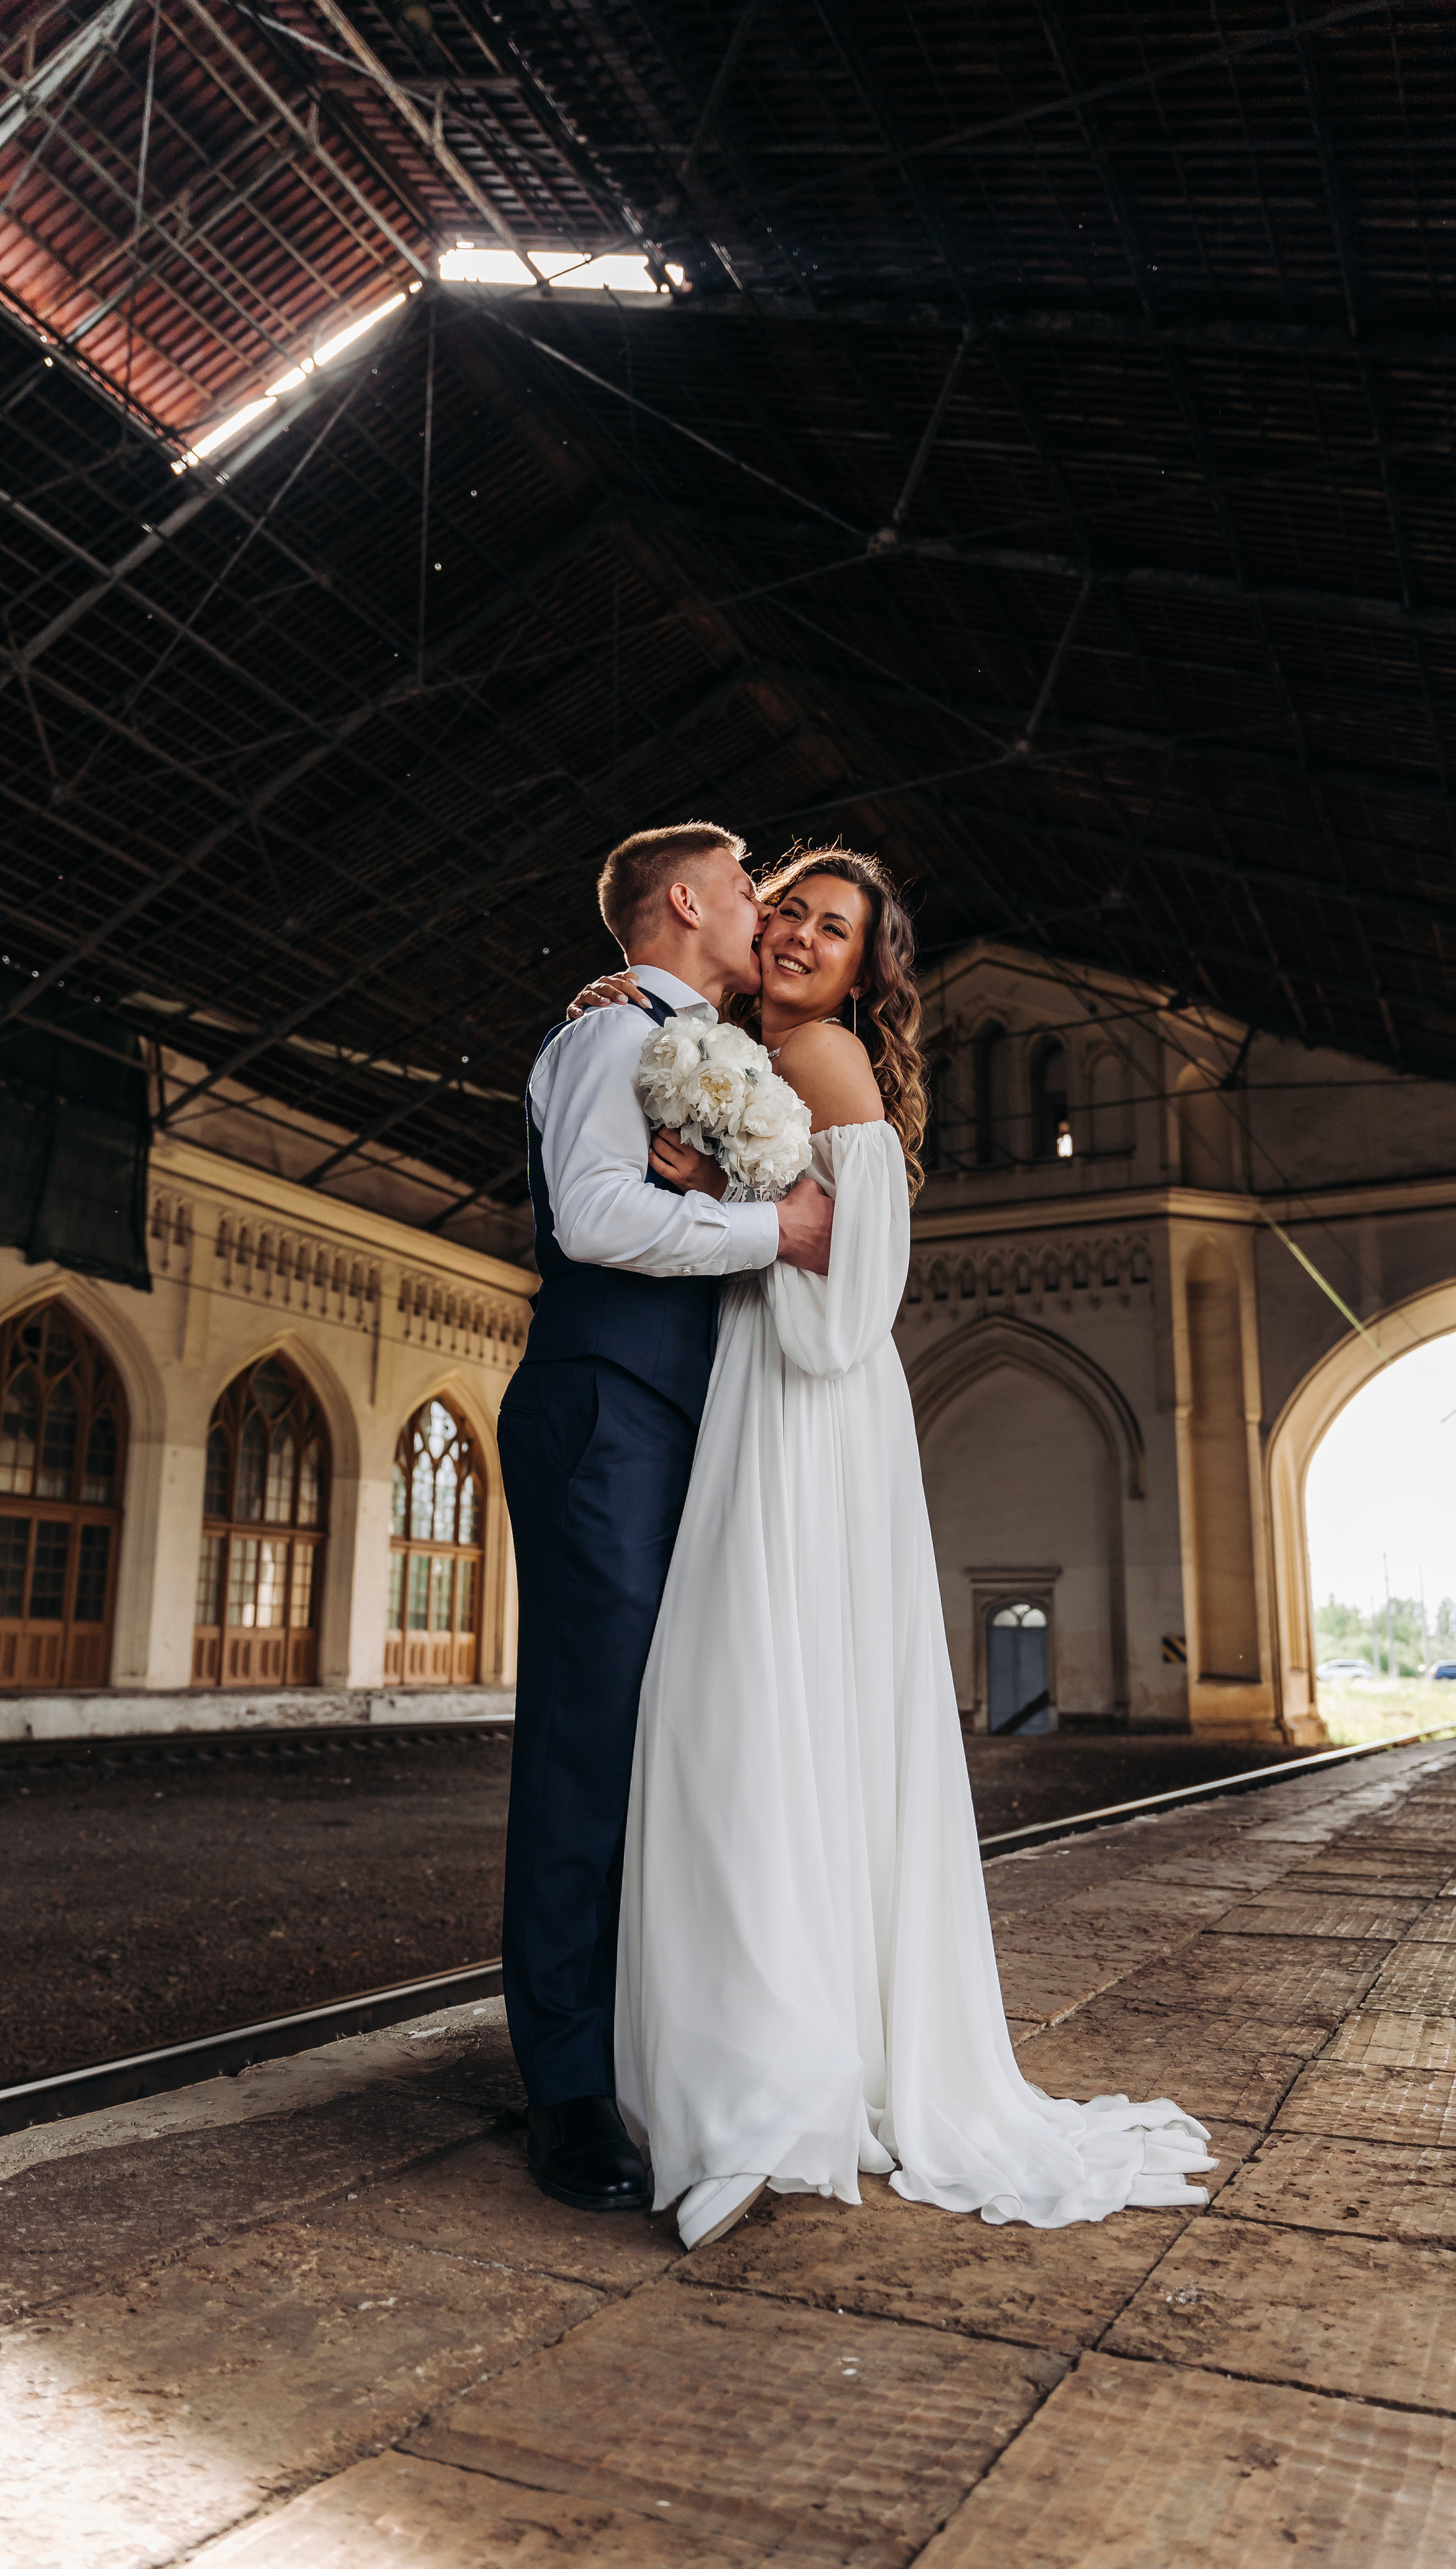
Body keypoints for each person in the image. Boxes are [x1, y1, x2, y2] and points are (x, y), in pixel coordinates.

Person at [570, 846, 1215, 2249]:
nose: (797, 932)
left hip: (805, 1414)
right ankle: (737, 2049)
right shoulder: (732, 1043)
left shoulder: (828, 1066)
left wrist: (734, 1217)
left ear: (868, 966)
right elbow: (702, 1195)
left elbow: (846, 1302)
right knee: (731, 1719)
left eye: (831, 926)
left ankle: (775, 2070)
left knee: (753, 1713)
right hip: (747, 1398)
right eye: (786, 909)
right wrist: (696, 1165)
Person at [499, 820, 835, 2216]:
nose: (767, 911)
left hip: (696, 1414)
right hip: (607, 1414)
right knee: (594, 1741)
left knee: (679, 1737)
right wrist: (773, 1234)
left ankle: (648, 2039)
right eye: (751, 888)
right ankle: (566, 2087)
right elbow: (588, 1216)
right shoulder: (609, 1037)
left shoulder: (701, 1035)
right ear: (685, 902)